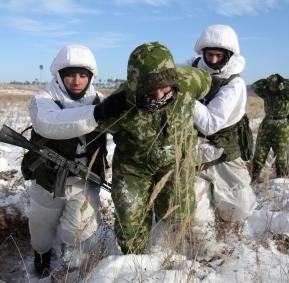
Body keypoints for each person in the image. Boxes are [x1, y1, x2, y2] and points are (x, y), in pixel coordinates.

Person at [93, 41, 215, 254]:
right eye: (151, 90)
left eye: (165, 88)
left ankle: (168, 251)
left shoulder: (191, 80)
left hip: (175, 160)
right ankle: (137, 265)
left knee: (178, 211)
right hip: (134, 167)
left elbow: (209, 81)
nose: (159, 96)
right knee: (129, 224)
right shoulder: (120, 104)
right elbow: (97, 127)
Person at [22, 44, 107, 277]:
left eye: (83, 75)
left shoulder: (100, 99)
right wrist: (97, 114)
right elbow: (51, 124)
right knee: (41, 229)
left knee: (79, 230)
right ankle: (42, 256)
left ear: (91, 76)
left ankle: (71, 254)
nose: (76, 81)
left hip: (85, 178)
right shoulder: (43, 99)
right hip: (47, 178)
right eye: (69, 74)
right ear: (59, 76)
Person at [185, 24, 256, 225]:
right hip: (194, 152)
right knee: (196, 215)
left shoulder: (234, 84)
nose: (214, 60)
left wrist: (186, 96)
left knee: (238, 210)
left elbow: (209, 124)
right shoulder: (190, 68)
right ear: (203, 53)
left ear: (228, 55)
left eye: (219, 55)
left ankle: (231, 236)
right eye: (210, 55)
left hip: (225, 151)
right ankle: (204, 250)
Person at [251, 73, 289, 182]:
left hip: (281, 126)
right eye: (270, 86)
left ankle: (280, 180)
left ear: (279, 86)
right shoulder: (266, 94)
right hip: (267, 124)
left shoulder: (286, 94)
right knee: (260, 152)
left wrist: (283, 80)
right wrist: (266, 81)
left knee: (281, 155)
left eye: (274, 86)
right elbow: (255, 86)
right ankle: (255, 177)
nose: (272, 88)